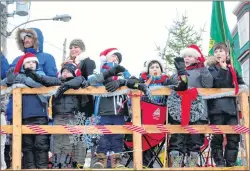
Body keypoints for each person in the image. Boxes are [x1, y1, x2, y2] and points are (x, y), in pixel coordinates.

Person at [1, 53, 51, 169]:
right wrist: (10, 79)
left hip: (39, 114)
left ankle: (42, 168)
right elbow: (2, 85)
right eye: (28, 62)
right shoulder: (18, 76)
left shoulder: (40, 74)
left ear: (37, 64)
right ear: (23, 65)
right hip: (23, 116)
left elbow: (39, 85)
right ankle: (30, 169)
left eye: (33, 62)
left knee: (41, 145)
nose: (31, 64)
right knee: (27, 146)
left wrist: (24, 80)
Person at [167, 44, 213, 167]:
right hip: (179, 111)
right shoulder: (176, 73)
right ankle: (176, 164)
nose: (186, 58)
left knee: (195, 139)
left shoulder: (201, 71)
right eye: (185, 56)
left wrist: (203, 68)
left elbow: (208, 85)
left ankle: (192, 165)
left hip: (198, 111)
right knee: (178, 139)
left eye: (190, 56)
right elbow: (170, 85)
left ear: (196, 58)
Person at [206, 42, 245, 167]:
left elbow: (241, 84)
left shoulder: (232, 68)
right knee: (217, 138)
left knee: (234, 138)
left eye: (221, 51)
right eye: (216, 51)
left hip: (232, 109)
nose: (218, 53)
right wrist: (223, 70)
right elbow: (217, 84)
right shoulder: (210, 69)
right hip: (216, 108)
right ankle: (220, 163)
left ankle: (231, 164)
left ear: (226, 53)